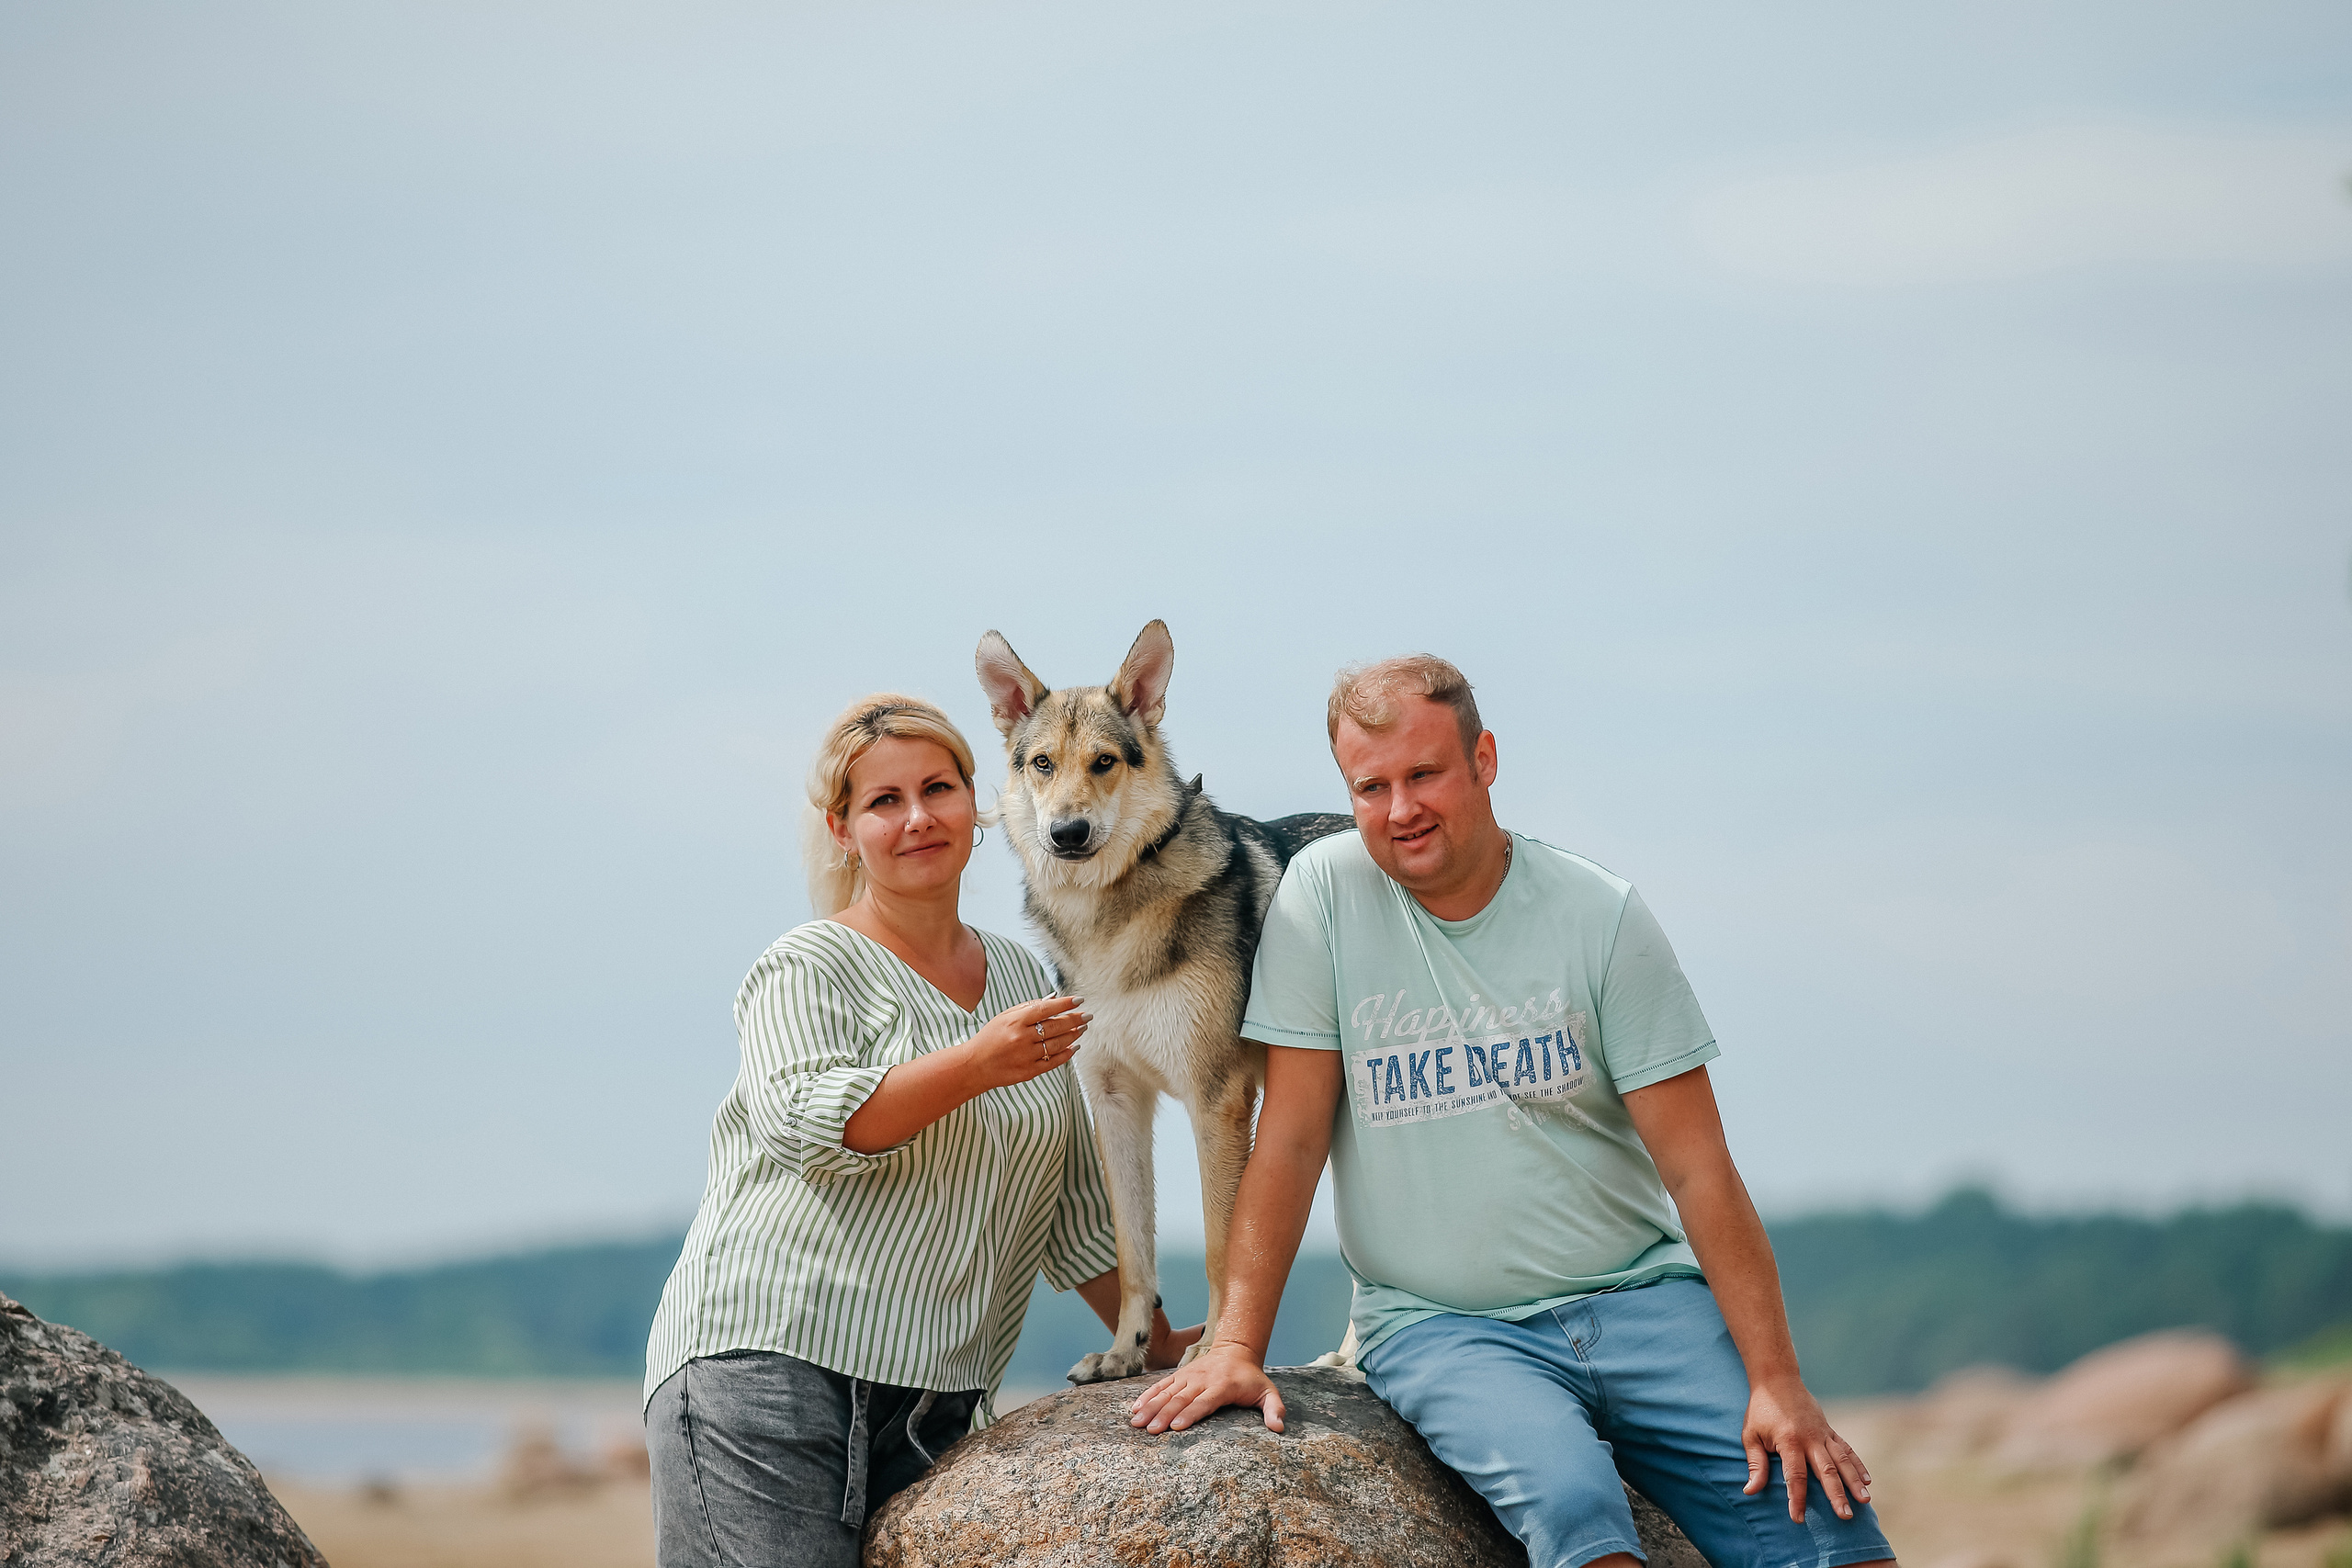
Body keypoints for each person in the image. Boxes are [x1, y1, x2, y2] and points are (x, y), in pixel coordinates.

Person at [1127, 656, 1897, 1568]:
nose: (1400, 808)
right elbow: (1289, 1143)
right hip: (1445, 1325)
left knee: (1829, 1523)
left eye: (1424, 775)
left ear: (1483, 759)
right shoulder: (1322, 900)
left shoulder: (1596, 914)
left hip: (1638, 1297)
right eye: (1369, 788)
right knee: (1575, 1508)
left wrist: (1776, 1381)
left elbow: (1697, 1168)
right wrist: (1236, 1345)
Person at [644, 694, 1199, 1568]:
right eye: (882, 802)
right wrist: (974, 1063)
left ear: (978, 802)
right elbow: (811, 1123)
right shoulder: (805, 963)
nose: (916, 819)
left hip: (937, 1404)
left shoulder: (1029, 974)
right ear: (842, 827)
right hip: (768, 1376)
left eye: (936, 789)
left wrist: (1157, 1338)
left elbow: (1075, 1205)